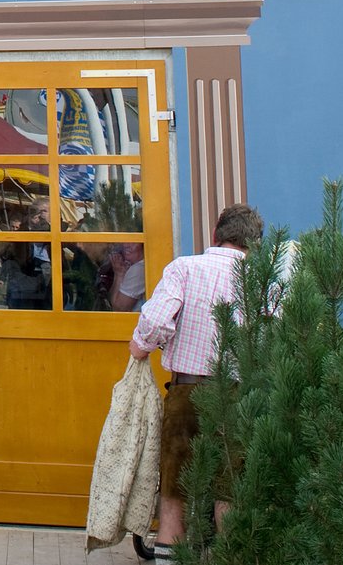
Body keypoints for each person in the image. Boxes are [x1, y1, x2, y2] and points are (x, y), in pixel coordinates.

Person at [127, 203, 263, 559]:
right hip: (238, 396)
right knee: (229, 491)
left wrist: (140, 347)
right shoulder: (264, 278)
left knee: (175, 491)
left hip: (187, 392)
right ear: (255, 244)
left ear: (217, 235)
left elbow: (155, 322)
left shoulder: (184, 269)